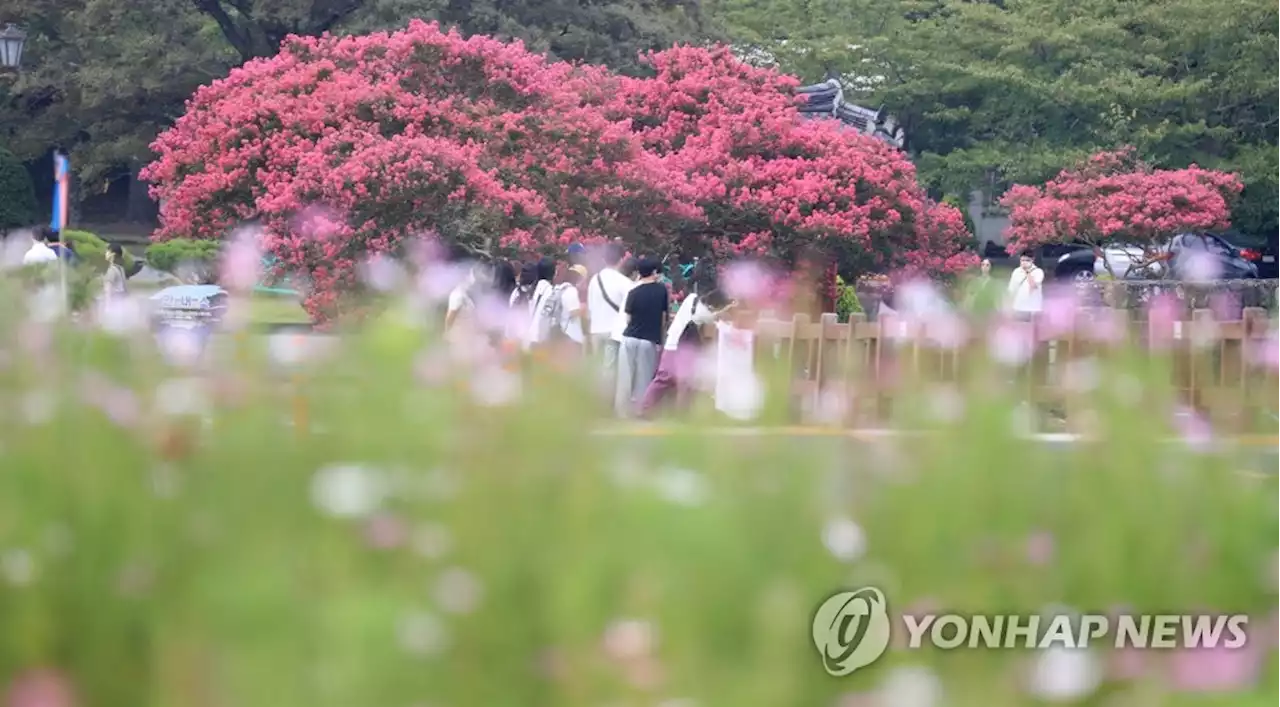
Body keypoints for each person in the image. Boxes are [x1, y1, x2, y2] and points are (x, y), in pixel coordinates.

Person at [638, 287, 734, 417]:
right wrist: (727, 308)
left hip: (672, 342)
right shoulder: (704, 314)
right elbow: (714, 318)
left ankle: (645, 409)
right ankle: (682, 413)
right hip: (683, 349)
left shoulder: (692, 298)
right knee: (686, 383)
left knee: (662, 380)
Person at [615, 257, 668, 418]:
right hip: (648, 340)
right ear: (654, 272)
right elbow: (664, 318)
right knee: (644, 378)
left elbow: (628, 319)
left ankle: (621, 412)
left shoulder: (633, 292)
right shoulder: (661, 290)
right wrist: (662, 339)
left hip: (629, 338)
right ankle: (641, 411)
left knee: (625, 377)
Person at [587, 243, 633, 375]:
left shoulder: (594, 280)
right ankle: (606, 395)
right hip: (614, 333)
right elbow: (629, 312)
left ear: (603, 259)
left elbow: (590, 309)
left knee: (597, 370)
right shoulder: (625, 282)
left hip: (595, 330)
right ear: (621, 259)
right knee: (609, 371)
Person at [1006, 250, 1044, 319]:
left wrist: (1027, 272)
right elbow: (1011, 289)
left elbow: (1033, 286)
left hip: (1033, 308)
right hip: (1018, 307)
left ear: (1032, 260)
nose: (1024, 262)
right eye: (1022, 260)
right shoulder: (1016, 272)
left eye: (1027, 260)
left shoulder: (1038, 272)